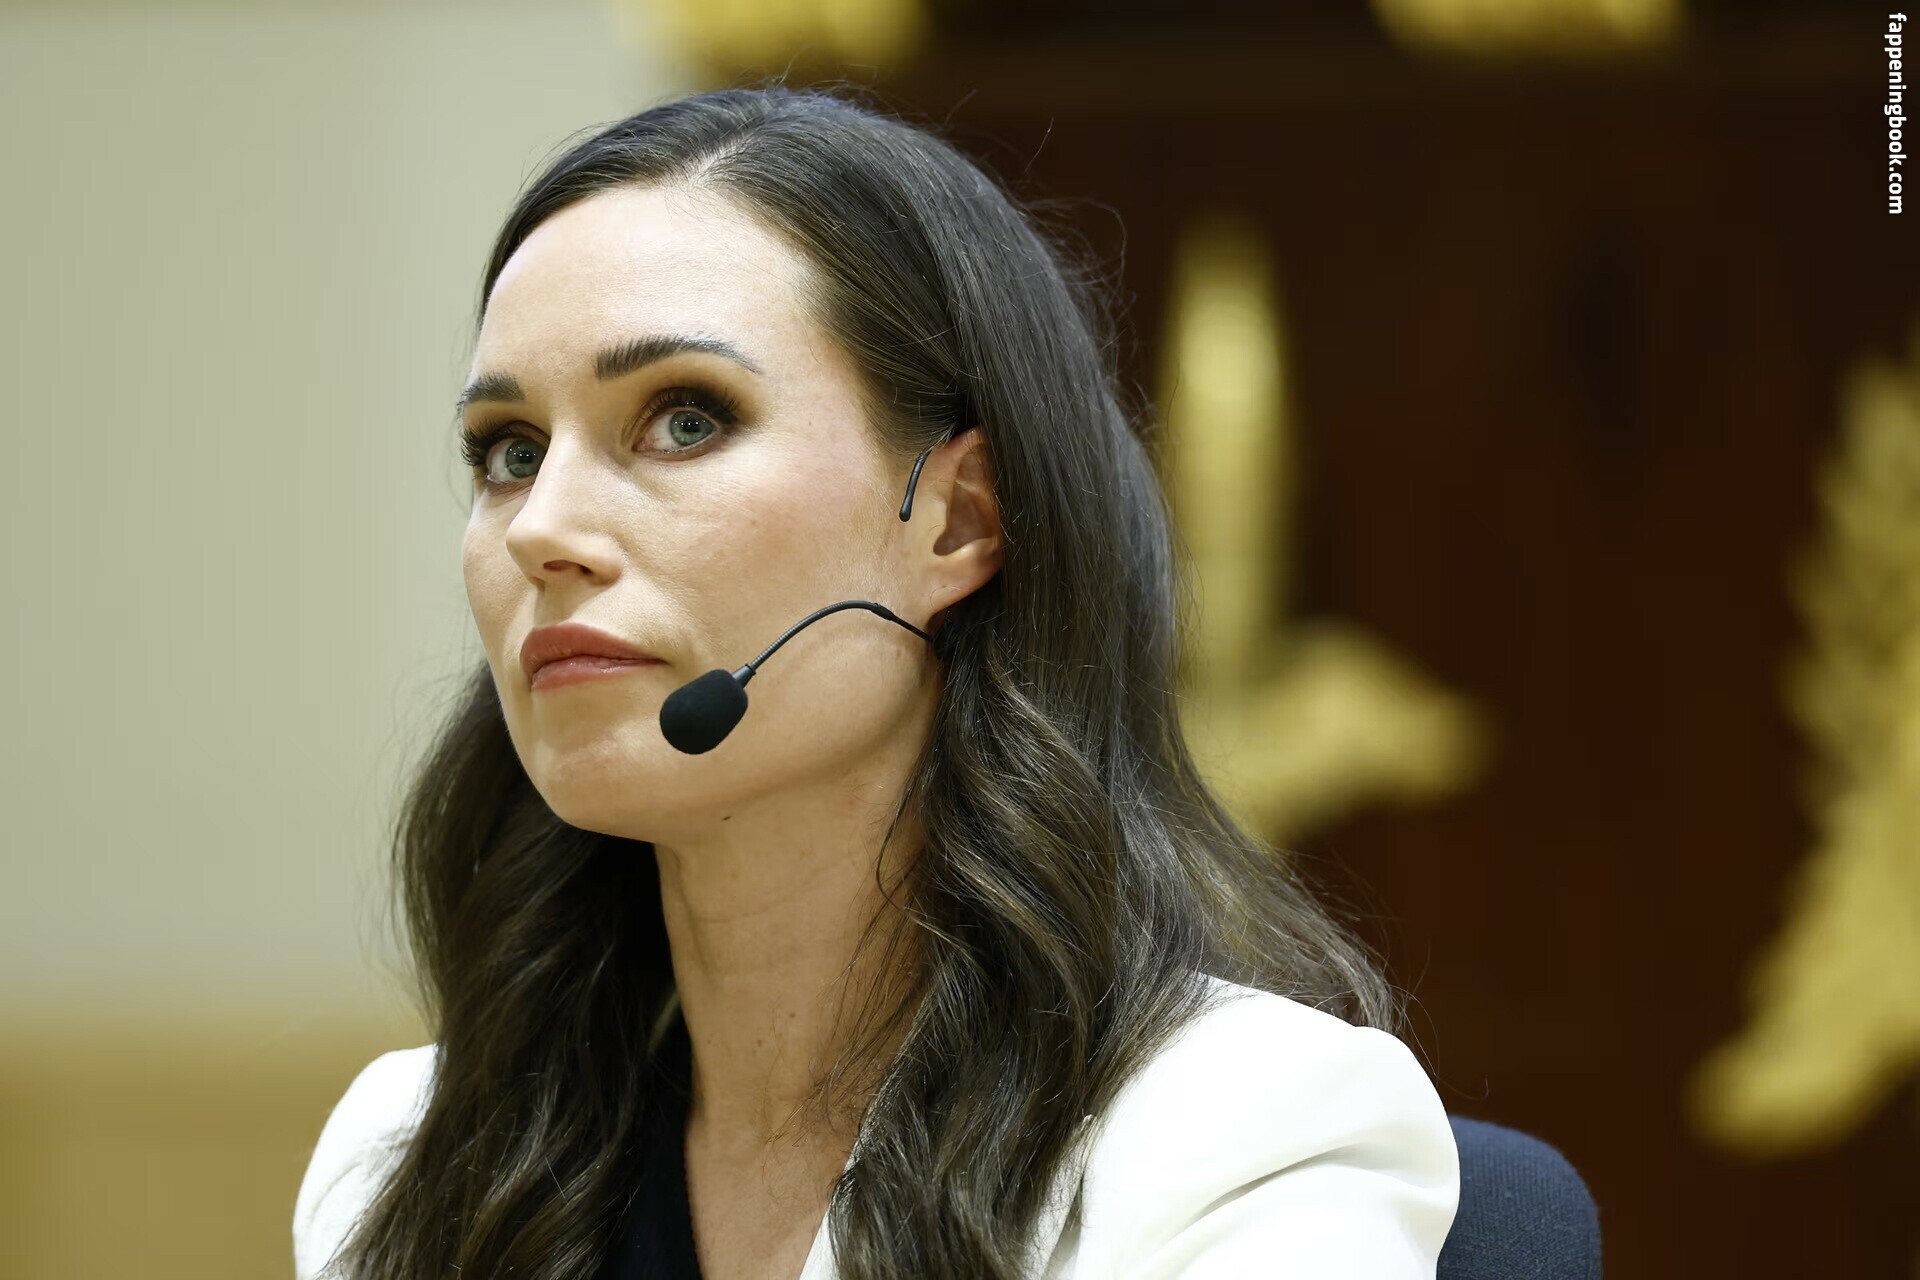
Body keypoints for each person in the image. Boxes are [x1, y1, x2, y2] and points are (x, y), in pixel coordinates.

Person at [291, 82, 1459, 1280]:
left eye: (684, 420)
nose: (542, 526)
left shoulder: (1241, 1133)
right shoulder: (406, 1158)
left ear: (958, 519)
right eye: (509, 450)